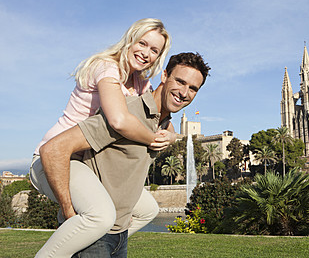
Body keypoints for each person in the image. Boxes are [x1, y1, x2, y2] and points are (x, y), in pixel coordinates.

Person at [40, 53, 210, 257]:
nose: (184, 92)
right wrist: (68, 211)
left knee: (150, 209)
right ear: (164, 76)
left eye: (193, 88)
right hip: (95, 237)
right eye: (180, 81)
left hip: (119, 235)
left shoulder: (163, 125)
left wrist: (173, 136)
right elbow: (54, 149)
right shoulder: (127, 113)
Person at [29, 18, 173, 258]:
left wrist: (172, 134)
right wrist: (152, 138)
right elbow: (118, 119)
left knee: (147, 209)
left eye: (154, 50)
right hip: (55, 160)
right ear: (130, 39)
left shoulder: (140, 83)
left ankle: (93, 239)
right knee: (100, 216)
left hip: (86, 165)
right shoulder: (107, 68)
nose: (146, 53)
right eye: (143, 43)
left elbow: (153, 115)